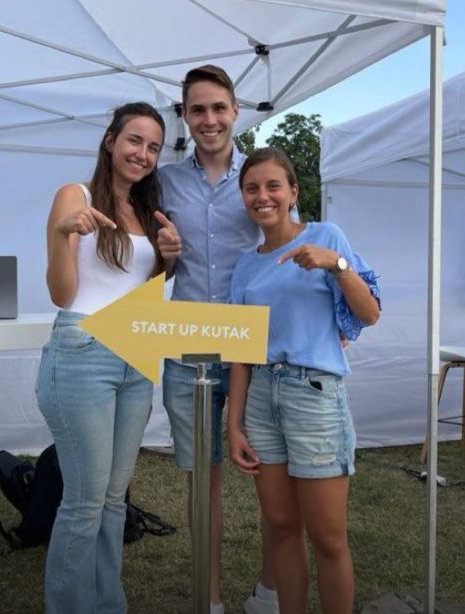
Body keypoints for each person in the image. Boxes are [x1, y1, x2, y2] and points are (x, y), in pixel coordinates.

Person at [226, 148, 380, 614]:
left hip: (313, 395)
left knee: (327, 537)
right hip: (261, 398)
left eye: (273, 186)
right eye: (252, 188)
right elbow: (241, 351)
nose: (263, 196)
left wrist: (337, 265)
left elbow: (369, 313)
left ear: (293, 192)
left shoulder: (326, 237)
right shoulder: (245, 266)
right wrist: (234, 425)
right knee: (282, 528)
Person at [36, 101, 172, 614]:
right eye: (135, 140)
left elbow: (138, 289)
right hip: (84, 351)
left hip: (136, 354)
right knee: (85, 501)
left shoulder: (147, 209)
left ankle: (108, 603)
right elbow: (61, 293)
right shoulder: (76, 195)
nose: (143, 154)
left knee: (114, 500)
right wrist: (62, 233)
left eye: (154, 147)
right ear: (110, 141)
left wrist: (169, 260)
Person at [156, 64, 279, 614]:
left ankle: (270, 591)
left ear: (236, 111)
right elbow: (149, 270)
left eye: (219, 108)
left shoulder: (261, 177)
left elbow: (285, 250)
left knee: (270, 475)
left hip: (256, 348)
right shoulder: (164, 182)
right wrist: (162, 259)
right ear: (185, 116)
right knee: (204, 484)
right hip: (190, 353)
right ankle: (208, 601)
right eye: (198, 109)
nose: (209, 119)